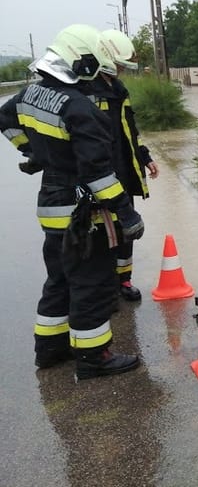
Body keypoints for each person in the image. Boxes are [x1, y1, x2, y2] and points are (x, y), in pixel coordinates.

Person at [0, 24, 143, 379]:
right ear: (81, 61)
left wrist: (32, 152)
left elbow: (5, 119)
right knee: (92, 284)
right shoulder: (79, 107)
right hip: (82, 214)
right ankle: (94, 357)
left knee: (59, 279)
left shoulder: (31, 94)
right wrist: (126, 214)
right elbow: (99, 175)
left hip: (50, 205)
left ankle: (49, 349)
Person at [96, 29, 159, 302]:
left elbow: (131, 131)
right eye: (119, 65)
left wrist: (145, 157)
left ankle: (124, 280)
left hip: (124, 174)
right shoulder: (86, 92)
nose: (121, 70)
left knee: (126, 232)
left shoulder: (119, 90)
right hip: (99, 177)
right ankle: (105, 288)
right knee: (102, 236)